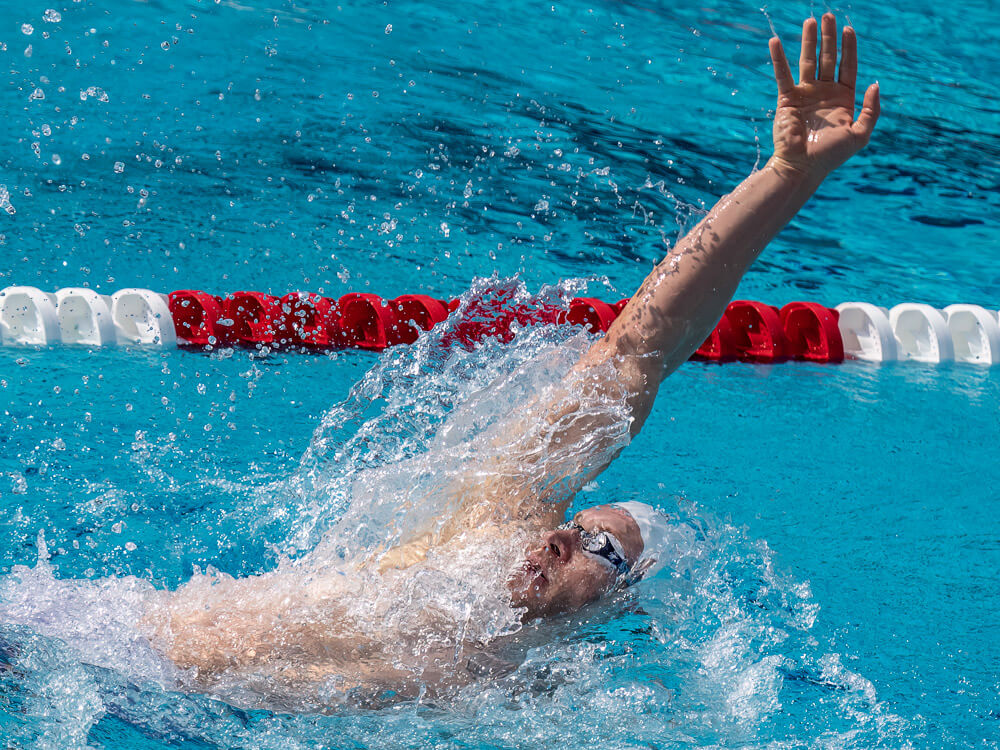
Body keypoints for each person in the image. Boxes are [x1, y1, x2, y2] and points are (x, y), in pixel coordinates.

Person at [144, 13, 880, 706]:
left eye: (601, 549)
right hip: (116, 642)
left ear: (622, 599)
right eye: (580, 519)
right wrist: (787, 177)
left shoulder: (528, 691)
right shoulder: (494, 518)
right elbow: (640, 348)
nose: (562, 536)